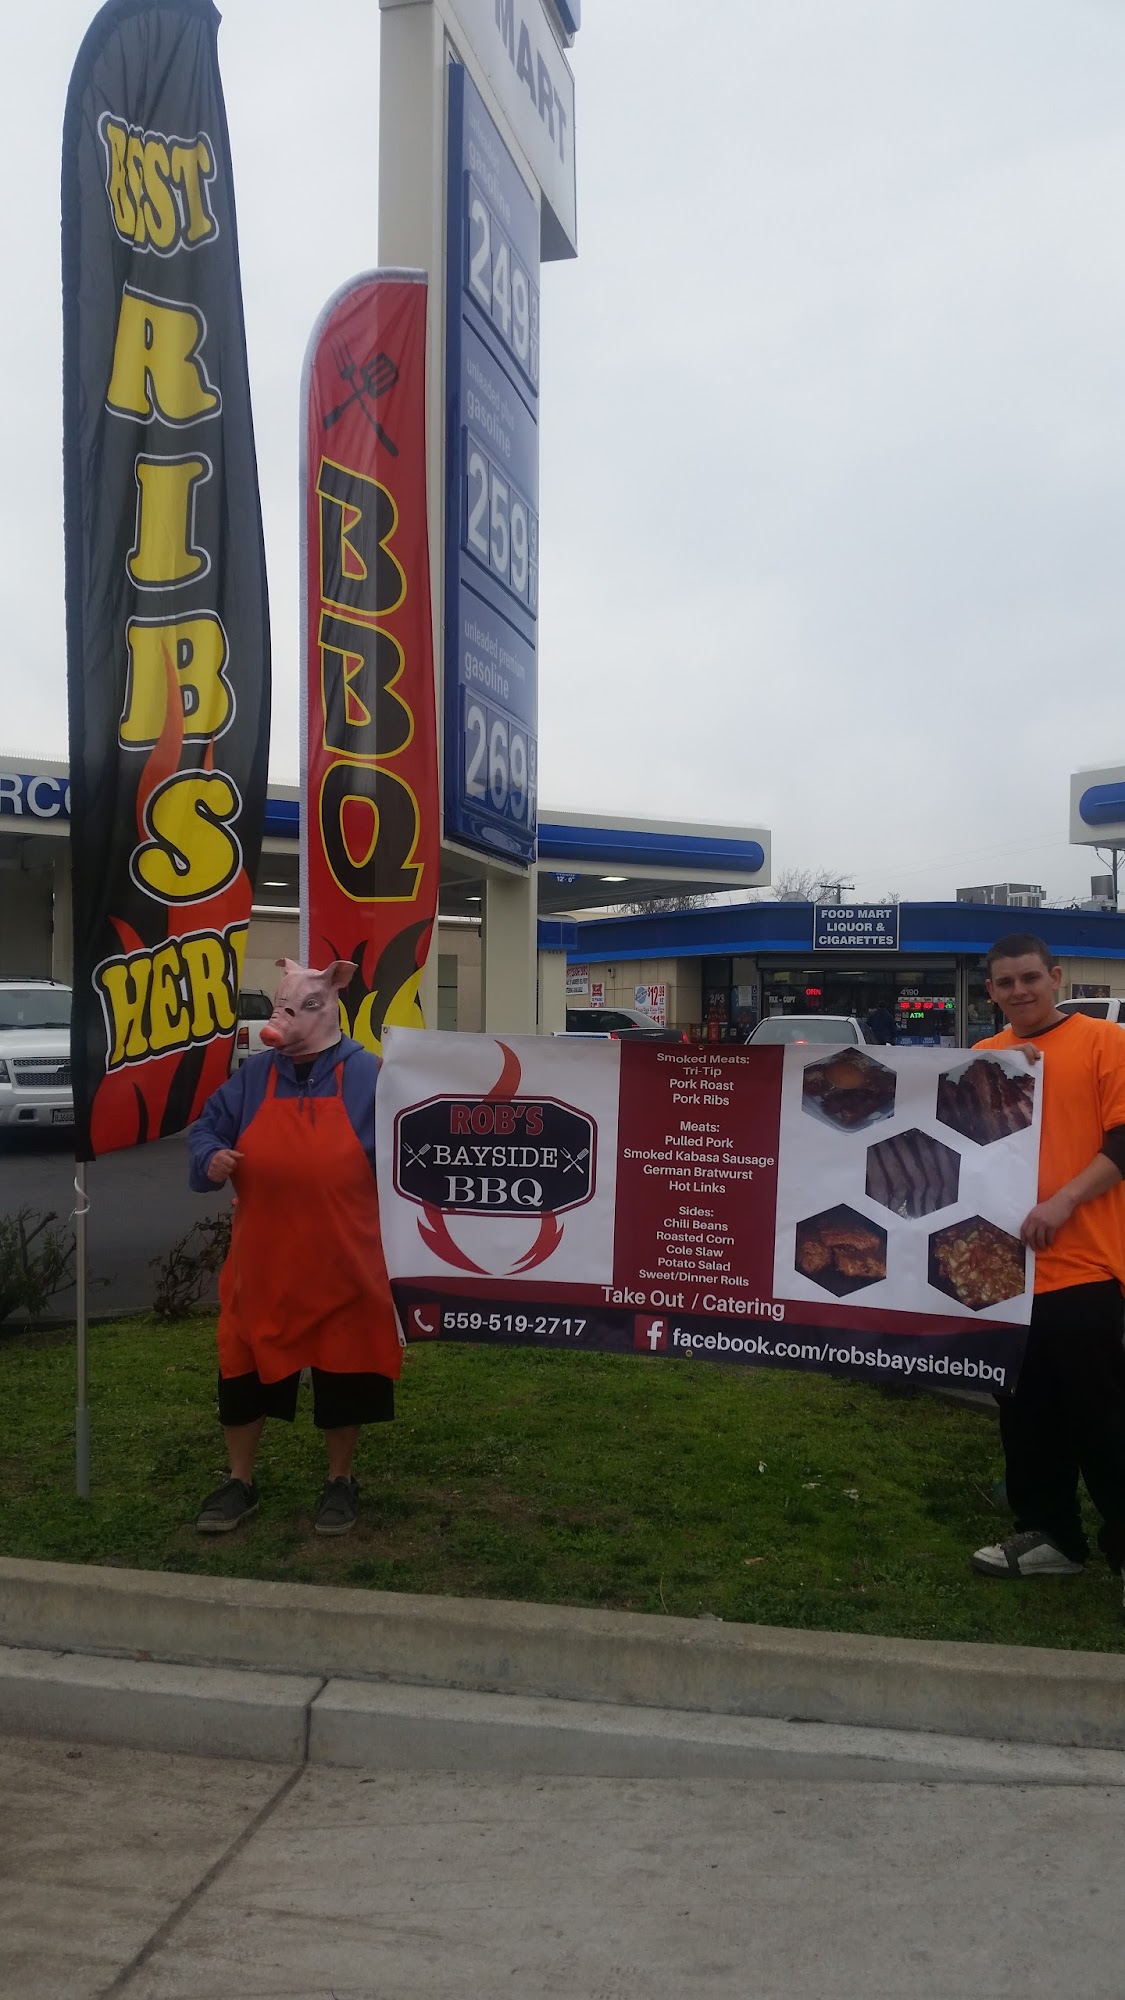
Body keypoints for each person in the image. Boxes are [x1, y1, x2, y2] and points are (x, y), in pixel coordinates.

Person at [187, 958, 402, 1537]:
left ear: (330, 1003)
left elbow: (413, 1146)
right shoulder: (255, 1077)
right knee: (242, 1369)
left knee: (346, 1372)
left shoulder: (370, 1074)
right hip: (264, 1267)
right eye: (280, 1008)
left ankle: (340, 1480)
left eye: (296, 1008)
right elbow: (207, 1127)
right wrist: (210, 1158)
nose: (280, 1021)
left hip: (345, 1264)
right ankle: (239, 1480)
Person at [969, 933, 1125, 1593]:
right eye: (1005, 983)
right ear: (990, 991)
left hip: (1085, 1267)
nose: (1019, 991)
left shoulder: (1104, 1042)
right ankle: (1050, 1535)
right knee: (1025, 1414)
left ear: (1055, 978)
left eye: (1029, 978)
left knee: (1104, 1418)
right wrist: (1000, 1071)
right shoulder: (985, 1055)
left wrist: (1063, 1201)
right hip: (1004, 1275)